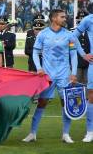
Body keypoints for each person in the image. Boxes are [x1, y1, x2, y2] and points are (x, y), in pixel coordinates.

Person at [23, 9, 78, 143]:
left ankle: (66, 134)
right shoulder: (43, 34)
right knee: (42, 103)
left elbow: (73, 54)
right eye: (62, 17)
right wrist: (39, 68)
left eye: (65, 16)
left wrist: (74, 73)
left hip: (64, 75)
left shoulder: (69, 35)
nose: (65, 19)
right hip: (47, 76)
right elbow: (35, 53)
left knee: (66, 104)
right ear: (54, 19)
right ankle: (32, 133)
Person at [72, 4, 93, 143]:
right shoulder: (88, 19)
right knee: (91, 96)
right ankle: (90, 131)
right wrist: (84, 54)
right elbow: (73, 37)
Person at [73, 11, 90, 85]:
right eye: (79, 20)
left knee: (88, 83)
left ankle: (87, 97)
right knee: (76, 83)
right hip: (76, 62)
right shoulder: (72, 31)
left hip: (89, 62)